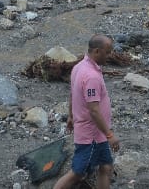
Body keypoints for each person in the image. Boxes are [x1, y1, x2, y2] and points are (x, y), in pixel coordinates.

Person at [53, 34, 121, 189]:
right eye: (108, 52)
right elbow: (94, 110)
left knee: (106, 166)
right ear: (97, 51)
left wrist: (70, 115)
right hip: (92, 136)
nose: (110, 56)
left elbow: (73, 93)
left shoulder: (79, 67)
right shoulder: (91, 77)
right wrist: (110, 135)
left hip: (97, 134)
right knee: (77, 173)